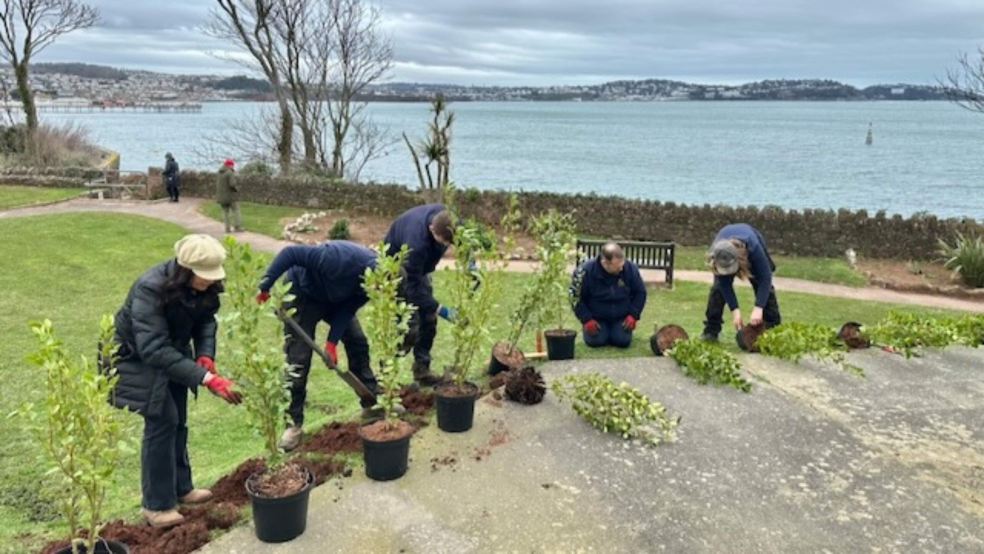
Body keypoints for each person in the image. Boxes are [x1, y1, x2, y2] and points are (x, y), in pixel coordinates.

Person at [109, 234, 242, 529]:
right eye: (203, 276)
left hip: (172, 354)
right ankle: (156, 505)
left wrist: (205, 355)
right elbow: (153, 348)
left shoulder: (202, 288)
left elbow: (206, 320)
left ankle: (182, 488)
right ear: (186, 269)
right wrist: (208, 379)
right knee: (162, 420)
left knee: (178, 419)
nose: (209, 282)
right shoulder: (150, 289)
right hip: (134, 358)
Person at [256, 241, 392, 451]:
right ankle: (293, 425)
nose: (374, 294)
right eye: (376, 289)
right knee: (298, 360)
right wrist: (266, 285)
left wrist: (331, 343)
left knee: (357, 342)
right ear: (373, 275)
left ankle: (371, 403)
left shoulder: (370, 286)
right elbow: (291, 253)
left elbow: (347, 310)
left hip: (335, 301)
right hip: (302, 295)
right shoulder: (337, 259)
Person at [383, 204, 456, 385]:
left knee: (429, 320)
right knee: (408, 327)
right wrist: (440, 309)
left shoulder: (447, 220)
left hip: (418, 271)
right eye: (442, 242)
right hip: (396, 269)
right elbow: (413, 288)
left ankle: (422, 372)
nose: (445, 247)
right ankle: (386, 377)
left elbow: (464, 239)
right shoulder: (416, 244)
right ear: (431, 229)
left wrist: (471, 263)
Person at [702, 223, 782, 341]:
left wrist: (758, 308)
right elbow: (725, 285)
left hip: (751, 241)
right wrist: (735, 311)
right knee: (718, 288)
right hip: (724, 243)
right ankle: (711, 329)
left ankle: (773, 328)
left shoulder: (754, 248)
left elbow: (765, 278)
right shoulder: (717, 254)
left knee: (764, 287)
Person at [571, 242, 647, 348]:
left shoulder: (630, 269)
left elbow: (640, 292)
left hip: (621, 316)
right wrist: (586, 319)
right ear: (605, 262)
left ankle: (616, 332)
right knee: (596, 341)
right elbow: (575, 297)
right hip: (596, 317)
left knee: (622, 341)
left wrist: (633, 315)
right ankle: (598, 331)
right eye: (617, 266)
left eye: (622, 265)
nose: (621, 269)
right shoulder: (585, 271)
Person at [216, 159, 242, 233]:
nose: (233, 166)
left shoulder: (219, 173)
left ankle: (227, 228)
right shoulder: (229, 172)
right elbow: (232, 184)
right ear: (230, 165)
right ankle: (237, 227)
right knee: (236, 210)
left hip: (221, 197)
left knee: (225, 213)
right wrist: (236, 189)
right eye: (232, 165)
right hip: (230, 196)